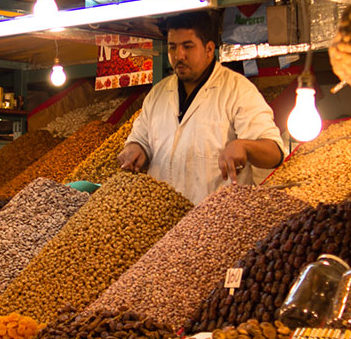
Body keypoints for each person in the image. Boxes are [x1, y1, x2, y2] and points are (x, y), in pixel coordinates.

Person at [117, 12, 284, 204]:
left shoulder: (238, 90)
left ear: (209, 49)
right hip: (162, 222)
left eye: (188, 46)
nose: (179, 56)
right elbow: (140, 140)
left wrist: (244, 146)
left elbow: (274, 152)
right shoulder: (158, 94)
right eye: (172, 48)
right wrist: (134, 149)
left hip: (219, 221)